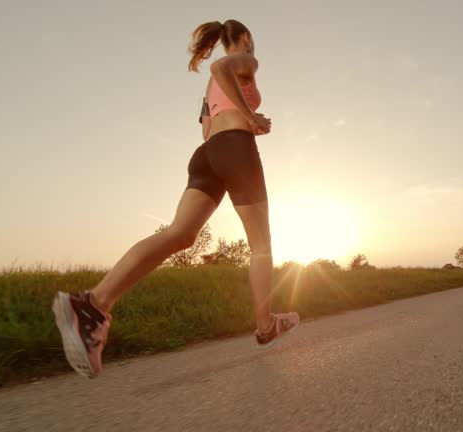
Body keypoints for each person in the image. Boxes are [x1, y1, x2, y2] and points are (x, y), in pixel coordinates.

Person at [51, 19, 299, 379]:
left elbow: (206, 127)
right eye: (251, 41)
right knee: (261, 246)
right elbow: (219, 66)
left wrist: (241, 121)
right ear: (245, 38)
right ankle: (266, 326)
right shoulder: (246, 59)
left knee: (179, 234)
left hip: (207, 155)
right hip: (235, 149)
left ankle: (92, 303)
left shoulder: (210, 91)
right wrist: (250, 118)